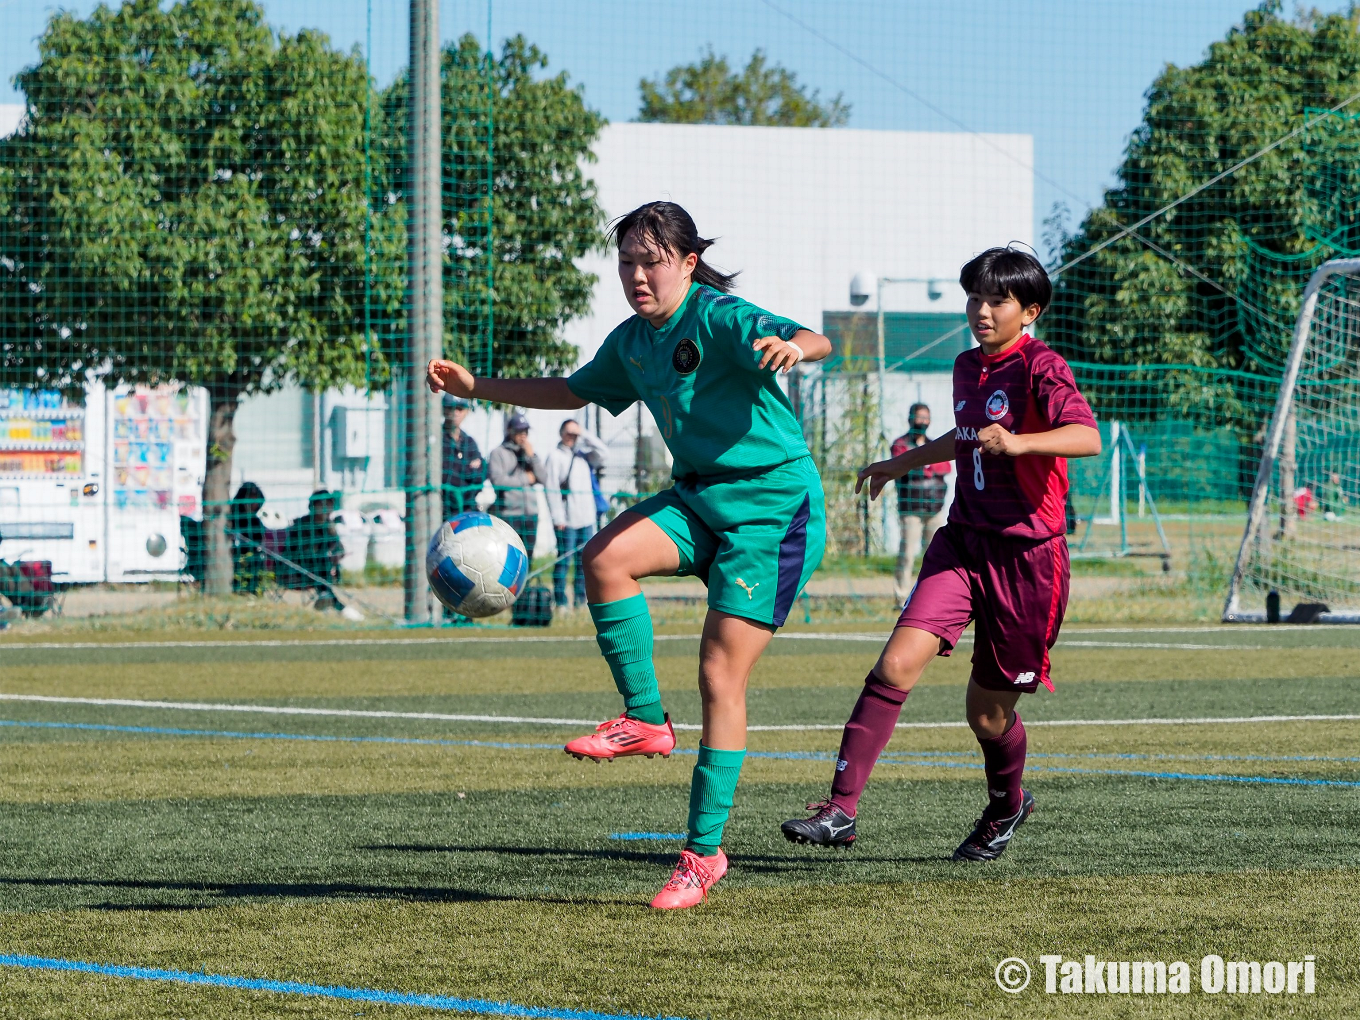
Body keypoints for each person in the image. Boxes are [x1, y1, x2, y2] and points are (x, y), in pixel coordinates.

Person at [428, 200, 832, 909]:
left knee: (718, 677)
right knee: (604, 558)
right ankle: (645, 720)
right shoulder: (633, 341)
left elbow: (810, 336)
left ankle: (702, 857)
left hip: (773, 511)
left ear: (687, 263)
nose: (638, 275)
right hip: (701, 498)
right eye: (626, 262)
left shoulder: (718, 318)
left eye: (652, 261)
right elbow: (572, 390)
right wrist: (476, 387)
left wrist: (797, 349)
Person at [781, 247, 1101, 861]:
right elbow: (964, 436)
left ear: (1029, 311)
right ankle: (839, 810)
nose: (981, 310)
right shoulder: (964, 366)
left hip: (1029, 561)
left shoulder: (1044, 367)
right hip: (961, 542)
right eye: (974, 298)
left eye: (996, 300)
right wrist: (899, 463)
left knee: (985, 715)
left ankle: (1007, 805)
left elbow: (1084, 435)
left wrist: (1020, 443)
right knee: (894, 666)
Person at [543, 419, 609, 608]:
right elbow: (552, 489)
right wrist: (558, 517)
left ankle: (581, 599)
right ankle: (560, 600)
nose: (572, 437)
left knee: (585, 562)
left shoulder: (584, 456)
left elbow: (604, 453)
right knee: (564, 561)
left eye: (575, 433)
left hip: (587, 519)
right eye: (568, 433)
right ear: (561, 434)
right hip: (567, 520)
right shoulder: (555, 457)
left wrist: (584, 434)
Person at [891, 403, 951, 603]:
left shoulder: (934, 444)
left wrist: (922, 464)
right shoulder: (901, 443)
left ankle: (930, 596)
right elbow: (904, 466)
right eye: (920, 417)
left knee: (935, 555)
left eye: (926, 418)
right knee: (907, 555)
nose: (923, 422)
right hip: (911, 510)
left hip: (934, 509)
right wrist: (924, 465)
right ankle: (901, 597)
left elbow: (945, 467)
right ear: (910, 419)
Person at [488, 413, 543, 557]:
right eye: (519, 431)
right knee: (509, 557)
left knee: (527, 557)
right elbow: (498, 481)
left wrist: (532, 457)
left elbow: (543, 478)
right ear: (510, 430)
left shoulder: (528, 453)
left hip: (530, 513)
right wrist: (526, 478)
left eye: (525, 431)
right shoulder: (498, 453)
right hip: (510, 514)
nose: (523, 435)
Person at [441, 394, 485, 520]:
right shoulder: (437, 440)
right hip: (443, 511)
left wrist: (459, 470)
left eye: (460, 408)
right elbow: (445, 478)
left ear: (466, 411)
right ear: (444, 410)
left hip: (469, 510)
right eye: (451, 408)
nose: (455, 412)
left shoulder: (469, 441)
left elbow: (481, 475)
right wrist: (469, 470)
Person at [227, 481, 269, 595]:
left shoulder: (256, 522)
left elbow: (260, 543)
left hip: (252, 559)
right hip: (231, 557)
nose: (253, 503)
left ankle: (253, 591)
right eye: (250, 498)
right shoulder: (230, 517)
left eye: (255, 499)